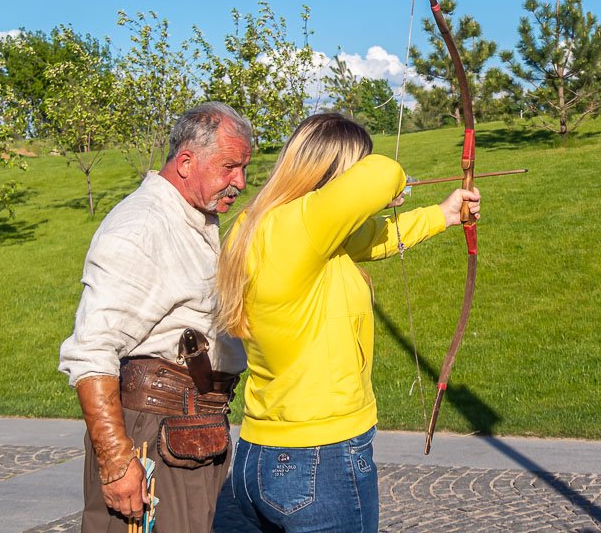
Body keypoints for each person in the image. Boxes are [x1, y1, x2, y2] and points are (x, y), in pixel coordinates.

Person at [216, 112, 480, 533]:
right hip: (320, 458)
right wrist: (389, 184)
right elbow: (383, 174)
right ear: (335, 174)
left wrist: (443, 215)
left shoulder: (263, 225)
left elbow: (368, 238)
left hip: (258, 453)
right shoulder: (303, 225)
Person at [59, 102, 253, 533]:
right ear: (186, 162)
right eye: (229, 167)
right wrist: (115, 461)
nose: (239, 181)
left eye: (243, 168)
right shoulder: (141, 226)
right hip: (153, 434)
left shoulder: (192, 218)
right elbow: (92, 351)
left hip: (194, 430)